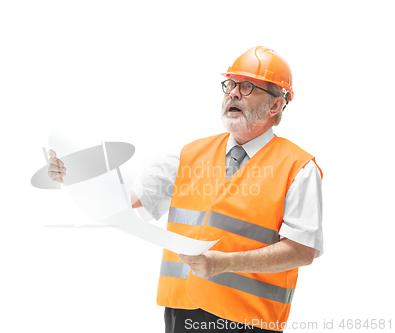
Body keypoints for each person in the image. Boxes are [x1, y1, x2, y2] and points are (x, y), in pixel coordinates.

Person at [48, 46, 323, 333]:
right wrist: (73, 174)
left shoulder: (299, 167)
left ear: (275, 106)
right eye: (229, 84)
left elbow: (302, 251)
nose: (233, 93)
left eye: (247, 86)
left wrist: (225, 263)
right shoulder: (189, 154)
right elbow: (125, 200)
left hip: (249, 320)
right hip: (182, 313)